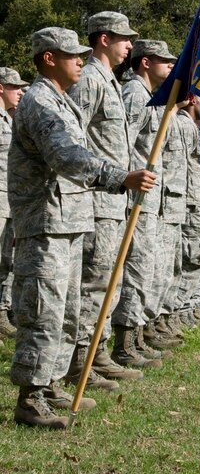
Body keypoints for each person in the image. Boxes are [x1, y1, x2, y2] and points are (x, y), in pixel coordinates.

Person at [8, 27, 155, 429]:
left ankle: (52, 381)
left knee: (68, 311)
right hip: (46, 221)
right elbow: (67, 155)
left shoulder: (58, 100)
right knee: (43, 309)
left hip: (69, 219)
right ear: (48, 59)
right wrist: (118, 177)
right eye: (70, 54)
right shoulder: (40, 101)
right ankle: (29, 397)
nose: (80, 59)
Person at [67, 11, 143, 389]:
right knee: (94, 284)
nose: (129, 44)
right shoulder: (90, 81)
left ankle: (97, 353)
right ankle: (80, 363)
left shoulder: (110, 81)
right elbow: (71, 139)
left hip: (114, 202)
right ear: (103, 39)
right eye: (123, 38)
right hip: (96, 201)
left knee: (108, 284)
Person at [112, 40, 179, 368]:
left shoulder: (151, 97)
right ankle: (123, 344)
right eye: (164, 61)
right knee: (134, 268)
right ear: (145, 62)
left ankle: (135, 336)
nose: (170, 66)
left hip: (150, 199)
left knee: (144, 269)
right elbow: (122, 143)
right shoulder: (134, 95)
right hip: (134, 197)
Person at [0, 68, 28, 340]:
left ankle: (3, 312)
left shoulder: (11, 119)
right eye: (14, 87)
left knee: (7, 259)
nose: (19, 92)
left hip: (10, 199)